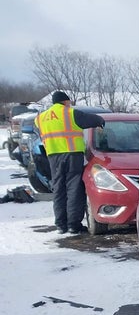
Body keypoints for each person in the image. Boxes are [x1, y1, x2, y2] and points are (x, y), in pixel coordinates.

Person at [34, 91, 105, 234]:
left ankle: (60, 224)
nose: (70, 103)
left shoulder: (40, 118)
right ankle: (73, 224)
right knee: (74, 188)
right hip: (72, 154)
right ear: (64, 101)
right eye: (68, 101)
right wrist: (101, 122)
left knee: (58, 188)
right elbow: (95, 119)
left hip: (53, 156)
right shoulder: (71, 113)